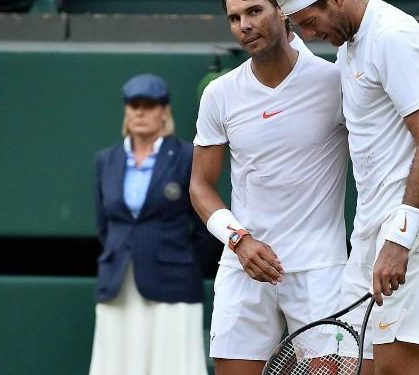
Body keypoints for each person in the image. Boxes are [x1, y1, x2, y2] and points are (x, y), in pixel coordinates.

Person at [281, 0, 419, 374]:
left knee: (394, 370)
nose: (310, 35)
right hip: (371, 231)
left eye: (310, 22)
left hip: (417, 232)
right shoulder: (348, 45)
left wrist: (399, 241)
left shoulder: (392, 37)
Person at [188, 0, 349, 374]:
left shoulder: (334, 82)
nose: (244, 25)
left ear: (283, 10)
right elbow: (199, 186)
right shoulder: (220, 94)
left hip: (320, 271)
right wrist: (239, 240)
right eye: (234, 18)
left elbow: (386, 142)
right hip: (243, 265)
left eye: (254, 11)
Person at [89, 73, 211, 375]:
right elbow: (104, 225)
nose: (140, 112)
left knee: (174, 366)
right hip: (118, 283)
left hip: (174, 282)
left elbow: (205, 225)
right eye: (134, 105)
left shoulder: (186, 156)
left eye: (150, 104)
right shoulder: (107, 160)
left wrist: (183, 263)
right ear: (126, 111)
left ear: (164, 111)